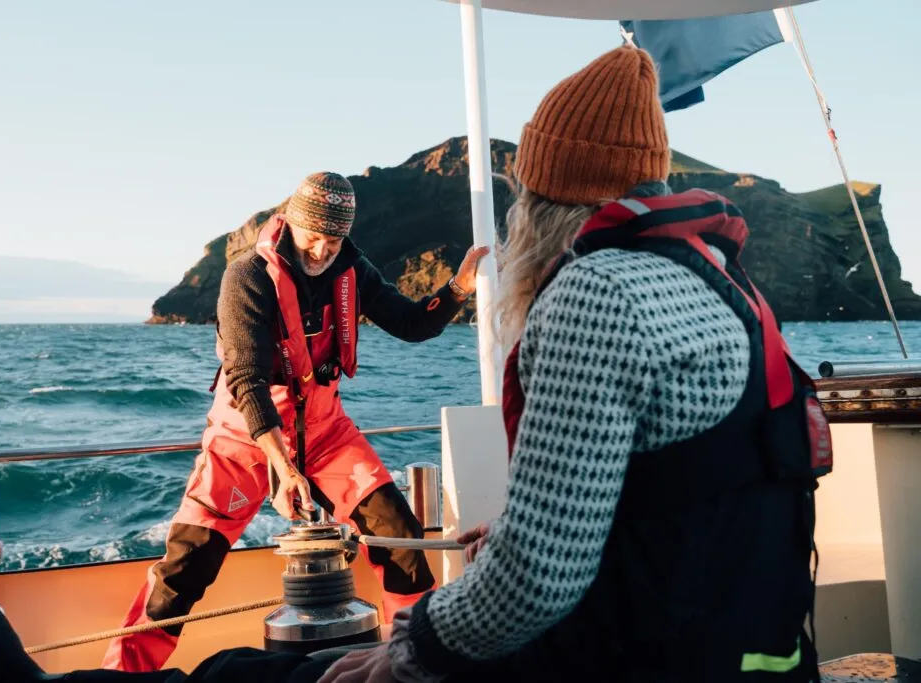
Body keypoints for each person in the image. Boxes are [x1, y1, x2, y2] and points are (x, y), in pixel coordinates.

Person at [320, 44, 833, 683]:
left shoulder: (598, 292)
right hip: (753, 656)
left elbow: (534, 581)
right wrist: (518, 531)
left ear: (542, 200)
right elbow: (681, 498)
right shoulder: (724, 284)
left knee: (283, 670)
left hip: (640, 662)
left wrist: (404, 655)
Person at [102, 171, 489, 673]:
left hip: (328, 435)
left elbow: (414, 324)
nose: (322, 252)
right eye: (314, 238)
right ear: (292, 224)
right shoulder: (247, 275)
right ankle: (121, 672)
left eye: (333, 241)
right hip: (243, 439)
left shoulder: (353, 270)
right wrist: (282, 467)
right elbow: (245, 379)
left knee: (403, 546)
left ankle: (409, 663)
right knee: (185, 569)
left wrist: (459, 286)